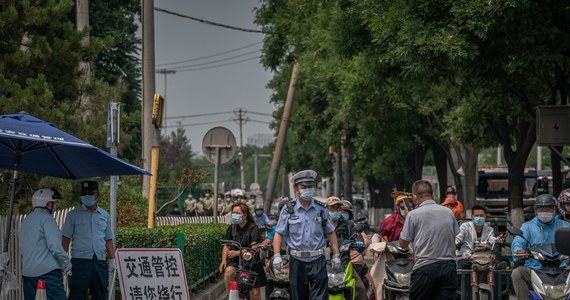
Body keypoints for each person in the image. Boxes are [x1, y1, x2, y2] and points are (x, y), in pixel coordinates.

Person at [272, 170, 340, 300]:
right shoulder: (288, 210)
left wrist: (336, 254)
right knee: (298, 296)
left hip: (318, 260)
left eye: (310, 187)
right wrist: (276, 255)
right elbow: (279, 233)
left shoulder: (321, 208)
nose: (307, 190)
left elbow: (330, 232)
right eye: (304, 187)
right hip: (297, 261)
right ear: (296, 189)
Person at [400, 179, 458, 300]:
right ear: (432, 195)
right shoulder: (448, 212)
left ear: (415, 198)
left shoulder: (412, 215)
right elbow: (454, 235)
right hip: (449, 268)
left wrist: (407, 218)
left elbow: (403, 244)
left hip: (425, 268)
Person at [62, 181, 116, 300]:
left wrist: (112, 259)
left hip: (99, 262)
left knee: (100, 294)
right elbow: (65, 238)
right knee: (77, 295)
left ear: (97, 195)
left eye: (90, 193)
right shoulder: (73, 215)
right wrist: (63, 259)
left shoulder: (104, 215)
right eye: (84, 193)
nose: (87, 196)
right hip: (80, 262)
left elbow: (108, 239)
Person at [511, 194, 570, 298]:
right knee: (517, 274)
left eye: (548, 208)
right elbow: (518, 241)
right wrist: (518, 250)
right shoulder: (527, 226)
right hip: (535, 268)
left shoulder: (565, 226)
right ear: (536, 211)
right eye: (541, 209)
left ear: (554, 210)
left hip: (563, 268)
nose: (545, 211)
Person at [20, 188, 72, 300]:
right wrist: (66, 262)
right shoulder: (47, 219)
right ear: (47, 203)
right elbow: (55, 246)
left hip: (28, 273)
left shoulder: (26, 221)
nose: (54, 206)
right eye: (53, 203)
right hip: (47, 273)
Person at [218, 202, 267, 300]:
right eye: (233, 213)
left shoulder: (253, 228)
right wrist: (223, 260)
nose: (234, 215)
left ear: (244, 215)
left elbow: (254, 248)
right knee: (228, 272)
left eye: (237, 213)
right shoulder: (231, 228)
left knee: (256, 294)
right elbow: (226, 246)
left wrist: (237, 253)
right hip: (236, 262)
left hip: (252, 263)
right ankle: (231, 296)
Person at [326, 197, 367, 300]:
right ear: (326, 209)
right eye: (332, 208)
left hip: (344, 262)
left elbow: (357, 236)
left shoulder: (349, 225)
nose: (335, 210)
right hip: (323, 262)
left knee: (360, 289)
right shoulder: (320, 224)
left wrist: (359, 243)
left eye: (338, 208)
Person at [455, 205, 503, 269]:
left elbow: (492, 239)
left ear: (485, 217)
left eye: (481, 215)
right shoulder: (465, 227)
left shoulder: (489, 229)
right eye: (477, 215)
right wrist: (456, 242)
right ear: (472, 217)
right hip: (468, 258)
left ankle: (495, 265)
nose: (479, 217)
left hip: (484, 259)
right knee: (462, 265)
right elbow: (458, 238)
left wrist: (498, 240)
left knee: (497, 243)